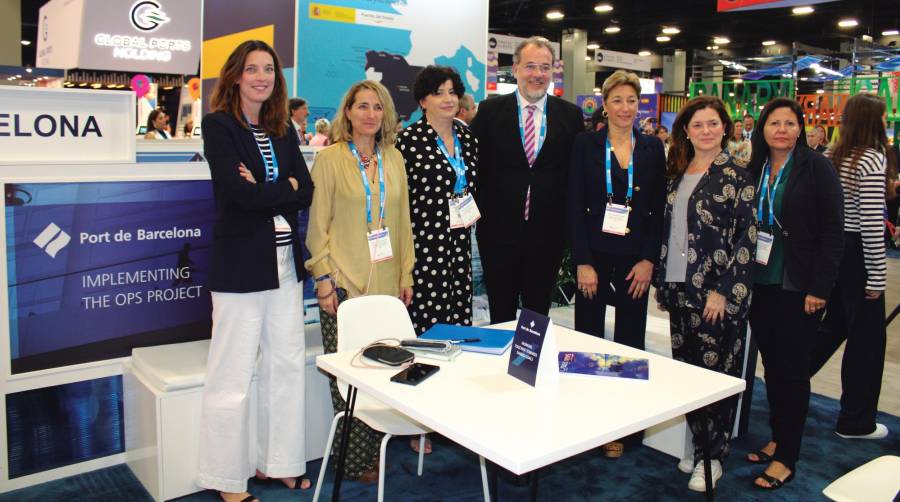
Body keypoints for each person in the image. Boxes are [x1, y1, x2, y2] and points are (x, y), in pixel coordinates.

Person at [197, 39, 314, 502]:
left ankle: (279, 463)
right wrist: (279, 186)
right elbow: (236, 194)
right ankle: (225, 479)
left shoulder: (282, 129)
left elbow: (304, 188)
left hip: (285, 265)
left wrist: (273, 185)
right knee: (232, 373)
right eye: (253, 69)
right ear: (236, 76)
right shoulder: (219, 126)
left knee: (286, 366)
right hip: (241, 266)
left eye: (269, 69)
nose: (262, 76)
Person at [305, 80, 415, 482]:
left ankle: (376, 450)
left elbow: (402, 222)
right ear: (347, 112)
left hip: (387, 286)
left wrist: (406, 273)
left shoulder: (394, 159)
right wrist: (323, 278)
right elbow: (318, 227)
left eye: (377, 107)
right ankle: (352, 461)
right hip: (344, 284)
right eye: (362, 106)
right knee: (347, 376)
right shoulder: (330, 159)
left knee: (382, 372)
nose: (370, 114)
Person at [652, 96, 757, 492]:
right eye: (698, 125)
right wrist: (664, 281)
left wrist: (724, 291)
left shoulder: (738, 176)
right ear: (686, 131)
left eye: (713, 124)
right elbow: (670, 231)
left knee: (716, 376)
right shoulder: (677, 172)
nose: (706, 131)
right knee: (689, 373)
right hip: (678, 288)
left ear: (725, 128)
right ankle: (699, 443)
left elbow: (745, 241)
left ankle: (713, 456)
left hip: (715, 295)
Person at [745, 97, 844, 490]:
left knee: (793, 370)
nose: (782, 129)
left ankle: (788, 455)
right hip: (760, 283)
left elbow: (833, 233)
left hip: (799, 286)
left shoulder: (817, 167)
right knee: (772, 366)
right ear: (763, 130)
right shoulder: (756, 167)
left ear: (801, 128)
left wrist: (820, 287)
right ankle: (778, 435)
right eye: (774, 123)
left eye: (789, 123)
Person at [567, 69, 666, 458]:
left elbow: (658, 210)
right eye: (617, 101)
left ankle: (624, 427)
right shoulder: (585, 144)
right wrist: (582, 262)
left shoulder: (652, 149)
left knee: (629, 342)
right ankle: (585, 423)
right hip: (594, 255)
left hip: (634, 259)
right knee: (587, 340)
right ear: (604, 105)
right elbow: (573, 204)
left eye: (632, 100)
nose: (625, 108)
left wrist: (648, 260)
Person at [470, 36, 584, 323]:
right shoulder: (489, 112)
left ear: (553, 72)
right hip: (498, 234)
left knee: (537, 312)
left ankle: (530, 366)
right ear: (516, 68)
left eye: (545, 68)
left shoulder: (570, 116)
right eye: (530, 66)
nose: (537, 74)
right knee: (501, 310)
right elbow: (475, 169)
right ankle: (500, 365)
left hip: (548, 234)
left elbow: (575, 175)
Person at [811, 93, 896, 440]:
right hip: (858, 252)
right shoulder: (872, 159)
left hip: (834, 251)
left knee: (834, 327)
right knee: (867, 342)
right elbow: (872, 223)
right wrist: (877, 275)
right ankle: (856, 421)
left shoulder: (834, 156)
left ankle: (789, 378)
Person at [398, 65, 477, 336]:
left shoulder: (467, 137)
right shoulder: (408, 141)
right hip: (424, 246)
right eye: (438, 93)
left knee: (459, 319)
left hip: (460, 243)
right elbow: (401, 201)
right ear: (423, 101)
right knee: (428, 321)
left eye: (453, 92)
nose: (448, 99)